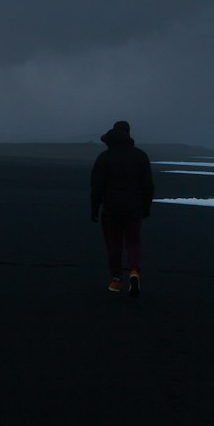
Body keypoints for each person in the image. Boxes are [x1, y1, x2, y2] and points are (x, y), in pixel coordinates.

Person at [90, 120, 154, 296]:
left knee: (114, 244)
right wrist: (146, 206)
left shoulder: (104, 157)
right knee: (133, 242)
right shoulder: (140, 156)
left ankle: (116, 279)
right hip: (134, 208)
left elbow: (96, 185)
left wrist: (94, 207)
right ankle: (134, 272)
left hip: (111, 208)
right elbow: (148, 185)